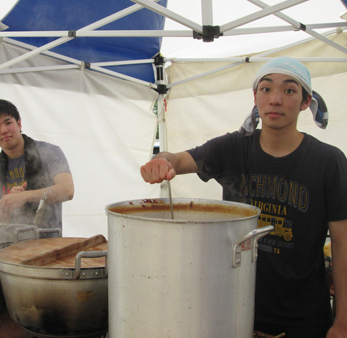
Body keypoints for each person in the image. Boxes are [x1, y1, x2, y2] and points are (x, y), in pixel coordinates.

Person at [140, 57, 347, 338]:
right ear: (255, 96)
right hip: (234, 309)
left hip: (304, 318)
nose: (275, 99)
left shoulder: (329, 162)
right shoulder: (232, 148)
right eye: (266, 89)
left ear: (305, 101)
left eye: (289, 90)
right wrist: (161, 160)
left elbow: (342, 245)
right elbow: (178, 158)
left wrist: (343, 321)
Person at [0, 99, 74, 234]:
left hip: (49, 244)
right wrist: (10, 204)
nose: (4, 130)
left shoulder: (49, 152)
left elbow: (67, 190)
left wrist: (25, 196)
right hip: (10, 245)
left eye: (8, 123)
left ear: (19, 123)